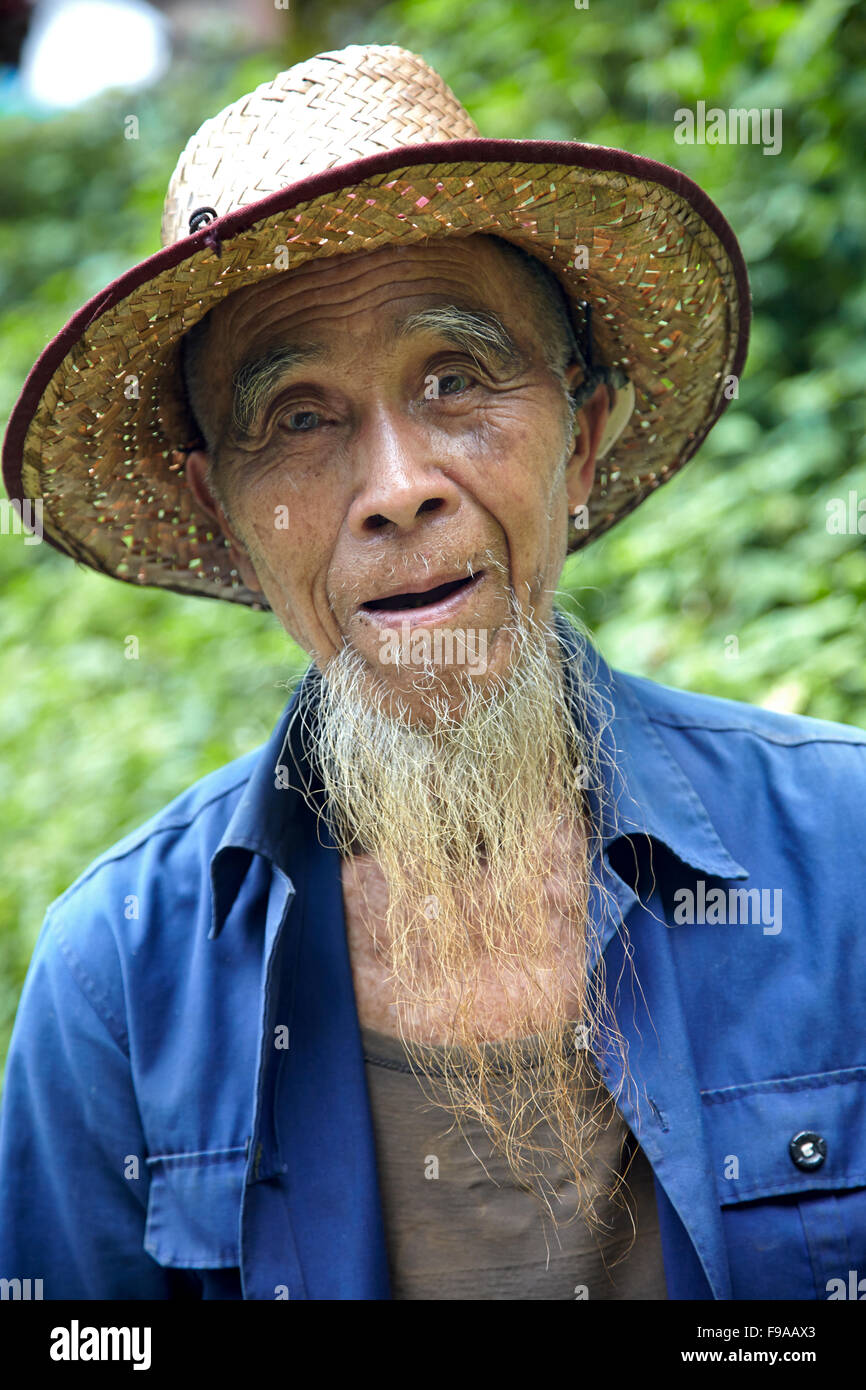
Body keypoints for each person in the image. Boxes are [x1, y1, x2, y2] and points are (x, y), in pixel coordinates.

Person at [1, 43, 864, 1302]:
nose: (398, 487)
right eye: (298, 416)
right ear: (226, 510)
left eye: (455, 379)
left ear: (581, 437)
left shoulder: (842, 856)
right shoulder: (119, 976)